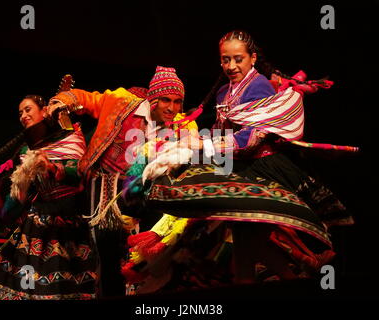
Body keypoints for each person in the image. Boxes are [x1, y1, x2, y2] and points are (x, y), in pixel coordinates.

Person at [121, 30, 355, 292]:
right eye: (225, 60)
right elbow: (226, 132)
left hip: (263, 168)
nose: (231, 66)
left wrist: (204, 144)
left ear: (252, 58)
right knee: (246, 241)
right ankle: (293, 281)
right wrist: (196, 144)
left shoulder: (260, 86)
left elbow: (253, 136)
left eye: (238, 59)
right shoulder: (224, 92)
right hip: (237, 166)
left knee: (247, 241)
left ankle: (289, 279)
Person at [46, 66, 197, 297]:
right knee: (108, 257)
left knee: (151, 255)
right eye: (166, 100)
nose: (172, 108)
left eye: (178, 102)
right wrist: (62, 100)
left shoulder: (179, 125)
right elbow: (87, 98)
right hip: (106, 189)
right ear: (153, 98)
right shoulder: (121, 102)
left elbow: (190, 148)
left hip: (145, 192)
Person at [0, 95, 98, 300]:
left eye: (28, 110)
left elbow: (79, 174)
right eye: (20, 113)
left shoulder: (71, 139)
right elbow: (18, 197)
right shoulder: (28, 151)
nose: (23, 116)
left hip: (70, 229)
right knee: (28, 289)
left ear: (44, 111)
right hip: (36, 230)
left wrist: (52, 167)